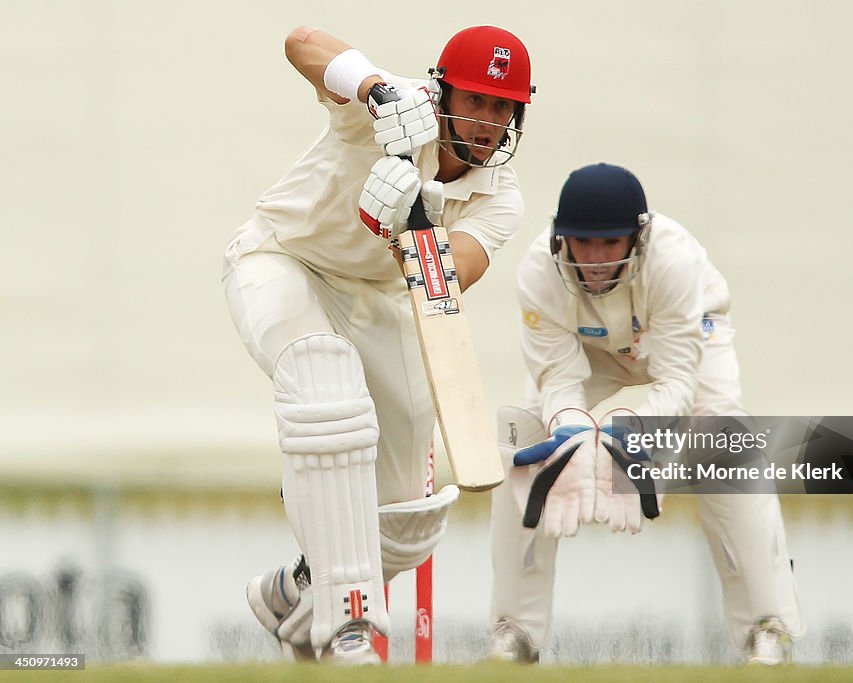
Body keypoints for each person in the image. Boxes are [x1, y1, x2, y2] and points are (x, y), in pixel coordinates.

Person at [221, 24, 534, 664]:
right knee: (323, 378)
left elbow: (452, 277)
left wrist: (411, 222)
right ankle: (348, 627)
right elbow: (302, 42)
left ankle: (297, 590)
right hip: (284, 262)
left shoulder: (501, 198)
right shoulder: (391, 106)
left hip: (387, 297)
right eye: (474, 100)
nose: (486, 122)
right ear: (443, 92)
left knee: (411, 520)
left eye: (501, 107)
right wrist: (376, 89)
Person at [488, 163, 806, 664]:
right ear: (560, 238)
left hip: (682, 335)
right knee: (526, 447)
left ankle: (769, 625)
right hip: (586, 349)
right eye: (581, 243)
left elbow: (680, 382)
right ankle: (515, 631)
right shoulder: (537, 271)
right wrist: (572, 436)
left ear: (637, 237)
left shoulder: (674, 261)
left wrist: (623, 439)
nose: (593, 260)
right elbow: (558, 379)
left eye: (609, 243)